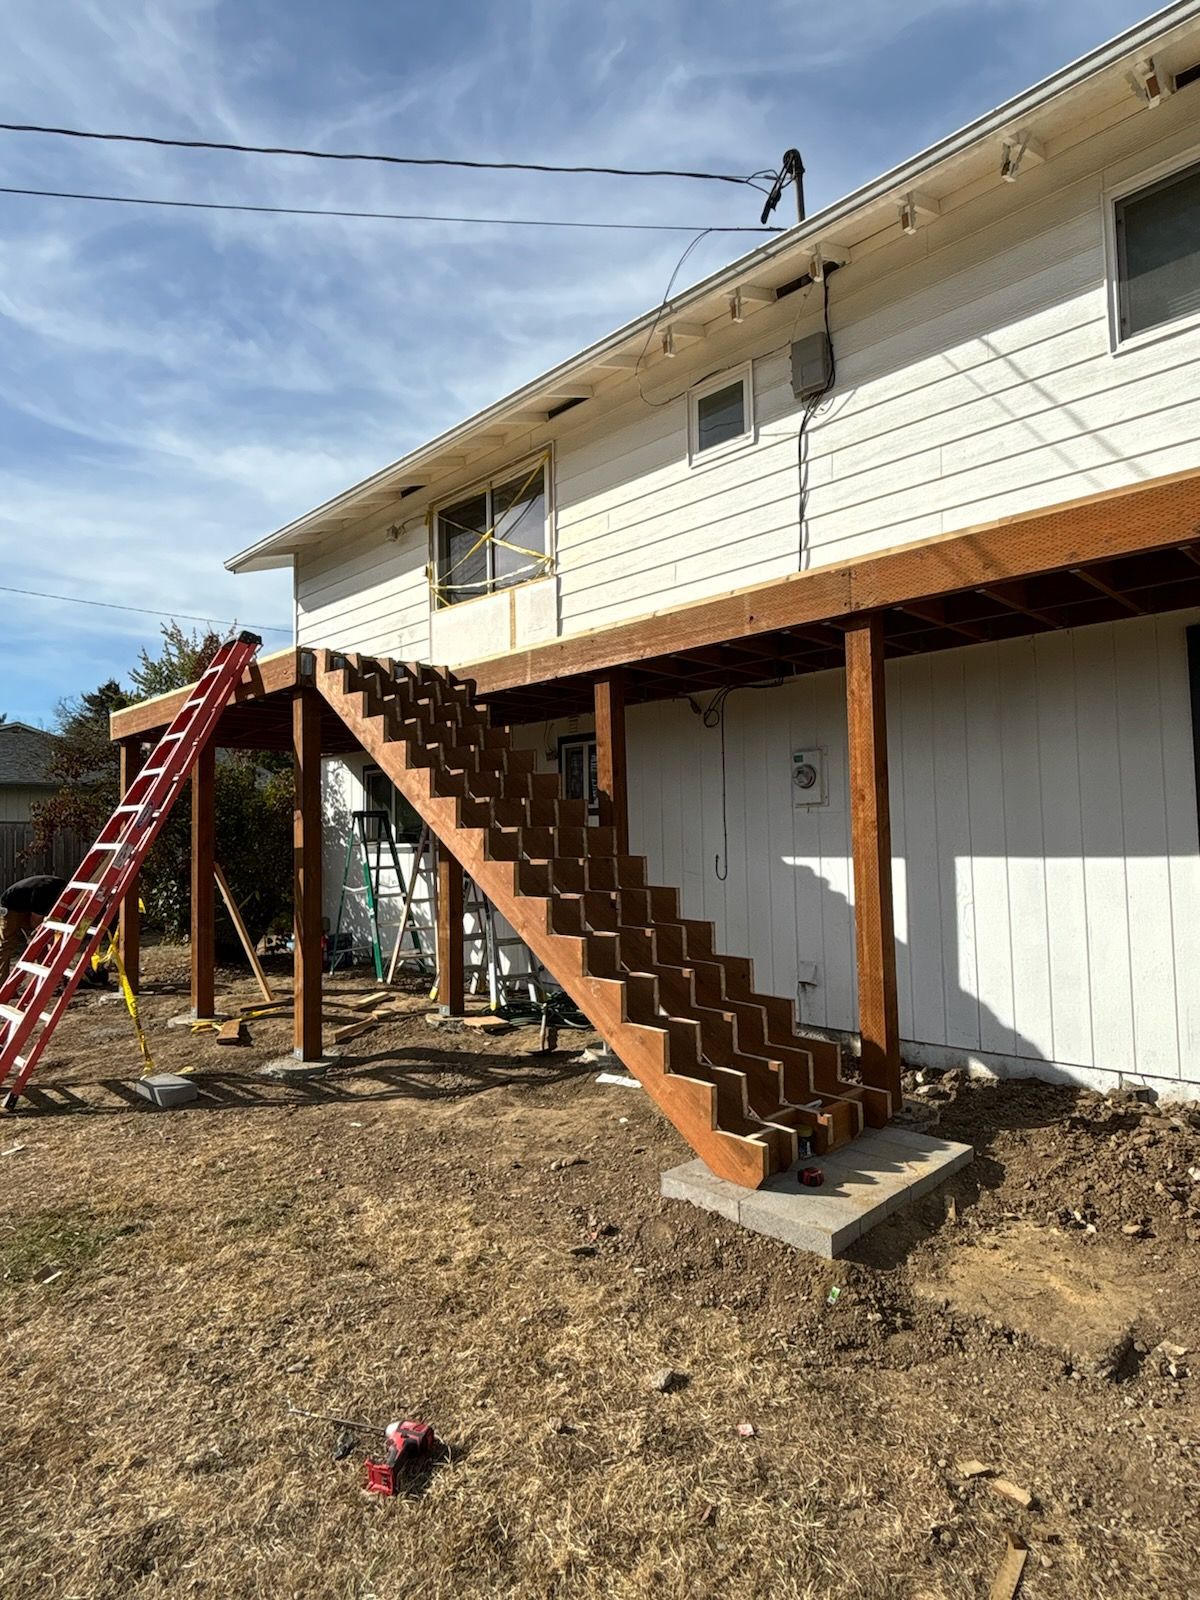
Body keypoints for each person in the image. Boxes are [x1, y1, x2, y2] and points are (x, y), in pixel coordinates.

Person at [0, 874, 67, 986]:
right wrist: (40, 935)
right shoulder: (46, 894)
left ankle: (46, 979)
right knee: (7, 944)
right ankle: (2, 984)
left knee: (40, 943)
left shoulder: (62, 889)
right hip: (11, 905)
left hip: (28, 904)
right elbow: (36, 920)